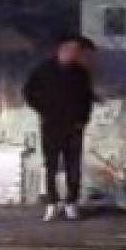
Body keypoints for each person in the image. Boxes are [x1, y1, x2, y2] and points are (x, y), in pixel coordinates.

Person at [23, 36, 95, 222]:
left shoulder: (80, 73)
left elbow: (87, 98)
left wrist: (83, 119)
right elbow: (28, 92)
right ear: (61, 50)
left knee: (73, 165)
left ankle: (71, 202)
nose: (74, 54)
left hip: (74, 126)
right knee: (51, 165)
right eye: (71, 50)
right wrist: (44, 109)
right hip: (51, 124)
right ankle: (52, 202)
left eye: (77, 51)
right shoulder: (44, 70)